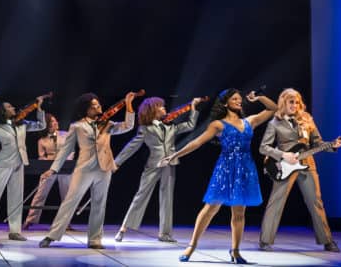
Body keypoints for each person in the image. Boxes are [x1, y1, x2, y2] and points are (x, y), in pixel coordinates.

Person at [158, 89, 277, 264]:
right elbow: (197, 142)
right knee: (210, 209)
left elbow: (273, 109)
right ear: (225, 103)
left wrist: (259, 98)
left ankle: (235, 251)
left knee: (239, 213)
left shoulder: (249, 121)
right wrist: (175, 155)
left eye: (239, 99)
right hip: (226, 168)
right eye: (234, 99)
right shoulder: (218, 125)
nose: (239, 101)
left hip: (245, 169)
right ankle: (191, 246)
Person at [38, 91, 138, 249]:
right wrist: (53, 169)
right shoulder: (77, 126)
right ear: (86, 109)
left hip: (104, 167)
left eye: (98, 104)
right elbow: (65, 151)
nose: (98, 107)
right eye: (94, 105)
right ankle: (52, 235)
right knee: (70, 201)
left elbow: (128, 126)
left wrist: (128, 104)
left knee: (99, 203)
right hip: (84, 168)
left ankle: (95, 239)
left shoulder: (108, 124)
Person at [258, 88, 341, 252]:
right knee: (276, 202)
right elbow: (263, 147)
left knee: (316, 202)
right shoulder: (274, 123)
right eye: (291, 102)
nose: (295, 105)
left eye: (297, 102)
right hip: (284, 166)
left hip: (307, 164)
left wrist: (333, 146)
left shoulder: (307, 120)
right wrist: (283, 155)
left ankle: (327, 241)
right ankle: (265, 240)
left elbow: (318, 142)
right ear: (283, 102)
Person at [112, 96, 205, 243]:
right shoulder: (145, 129)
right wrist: (117, 162)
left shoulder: (171, 126)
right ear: (153, 110)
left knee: (167, 198)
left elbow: (190, 125)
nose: (164, 108)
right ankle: (123, 228)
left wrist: (193, 107)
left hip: (170, 163)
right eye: (161, 106)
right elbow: (132, 146)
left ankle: (165, 234)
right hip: (154, 164)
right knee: (141, 195)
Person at [0, 96, 46, 240]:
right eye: (9, 107)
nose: (14, 108)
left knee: (16, 197)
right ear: (3, 112)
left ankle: (15, 231)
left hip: (19, 163)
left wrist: (39, 109)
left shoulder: (22, 124)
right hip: (3, 163)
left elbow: (41, 126)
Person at [23, 114, 74, 230]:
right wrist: (48, 164)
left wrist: (66, 161)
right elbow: (41, 157)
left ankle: (66, 223)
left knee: (67, 195)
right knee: (40, 194)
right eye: (51, 122)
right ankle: (30, 220)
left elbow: (71, 151)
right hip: (48, 168)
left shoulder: (66, 135)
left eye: (55, 121)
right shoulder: (42, 140)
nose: (55, 123)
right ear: (47, 125)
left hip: (64, 167)